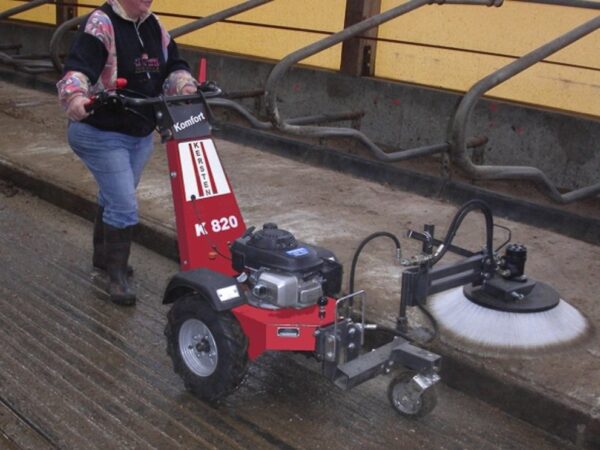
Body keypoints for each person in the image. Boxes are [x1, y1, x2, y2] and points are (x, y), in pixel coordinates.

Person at [57, 0, 197, 306]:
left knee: (115, 196)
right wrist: (76, 96)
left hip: (139, 132)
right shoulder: (101, 24)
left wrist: (184, 85)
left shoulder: (153, 25)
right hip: (100, 132)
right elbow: (77, 68)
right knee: (124, 204)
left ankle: (102, 257)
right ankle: (116, 276)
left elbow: (173, 65)